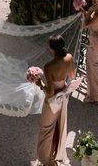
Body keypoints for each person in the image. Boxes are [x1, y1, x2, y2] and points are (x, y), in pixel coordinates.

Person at [36, 35, 79, 166]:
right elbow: (72, 76)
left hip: (52, 101)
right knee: (58, 127)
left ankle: (47, 161)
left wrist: (40, 84)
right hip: (63, 97)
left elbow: (49, 91)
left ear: (51, 49)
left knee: (47, 129)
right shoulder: (69, 57)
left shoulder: (49, 66)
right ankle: (52, 155)